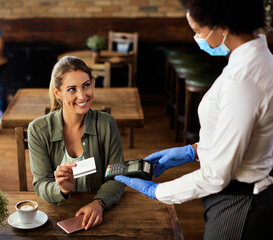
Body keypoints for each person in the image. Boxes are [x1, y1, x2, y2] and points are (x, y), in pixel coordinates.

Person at [115, 0, 273, 239]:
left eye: (198, 31)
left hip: (239, 203)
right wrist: (195, 151)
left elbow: (217, 175)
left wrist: (159, 192)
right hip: (238, 193)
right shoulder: (256, 60)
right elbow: (244, 133)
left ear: (223, 26)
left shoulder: (243, 79)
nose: (197, 38)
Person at [28, 56, 125, 230]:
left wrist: (99, 203)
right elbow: (41, 183)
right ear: (58, 93)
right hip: (57, 215)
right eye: (72, 89)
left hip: (101, 214)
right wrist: (62, 189)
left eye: (86, 85)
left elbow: (117, 175)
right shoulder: (38, 129)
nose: (82, 95)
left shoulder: (106, 123)